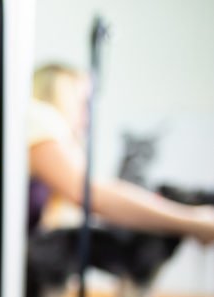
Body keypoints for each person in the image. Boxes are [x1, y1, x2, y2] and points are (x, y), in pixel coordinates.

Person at [27, 63, 214, 240]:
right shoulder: (41, 117)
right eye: (84, 103)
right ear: (61, 95)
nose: (88, 117)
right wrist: (192, 221)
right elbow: (89, 193)